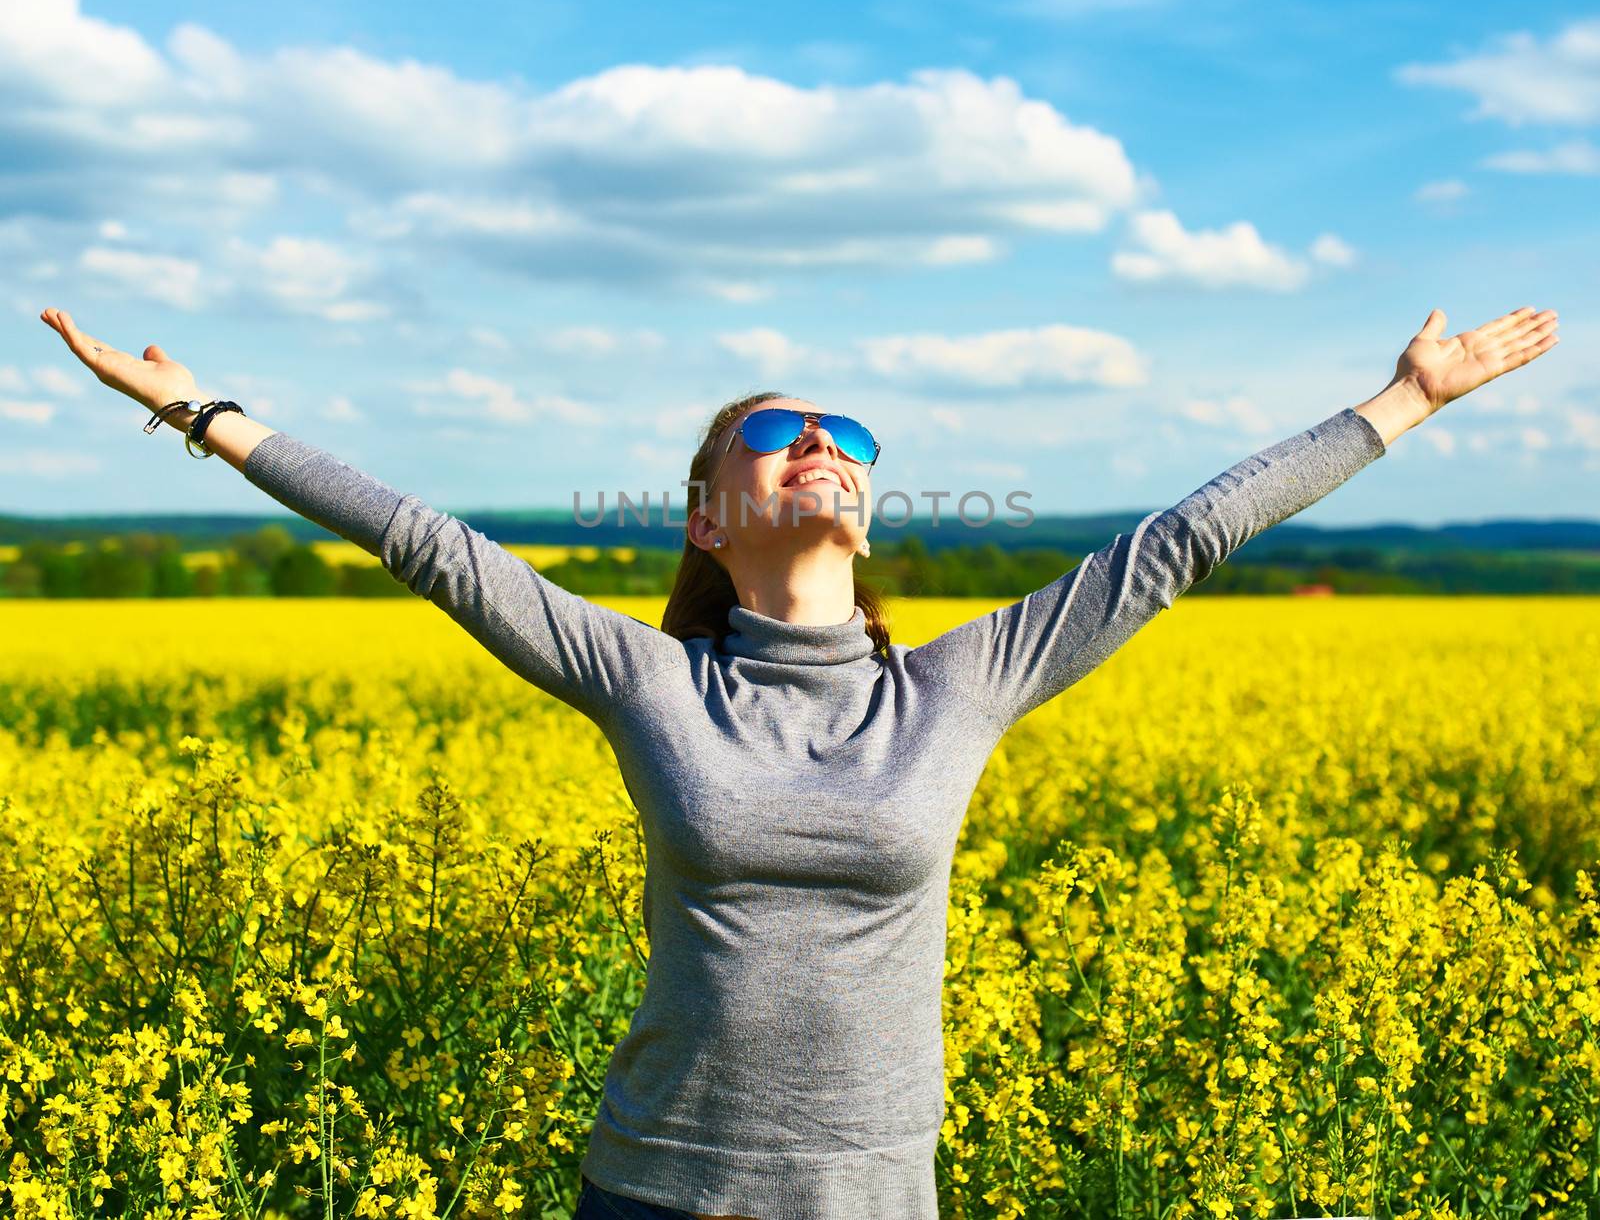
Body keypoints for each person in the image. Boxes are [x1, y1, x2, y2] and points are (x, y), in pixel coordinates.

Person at [37, 303, 1559, 1220]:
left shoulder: (965, 683)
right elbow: (427, 545)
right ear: (707, 516)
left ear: (877, 506)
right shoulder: (650, 679)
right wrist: (205, 415)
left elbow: (1183, 542)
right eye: (776, 429)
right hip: (657, 1190)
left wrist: (1405, 402)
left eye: (847, 430)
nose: (820, 439)